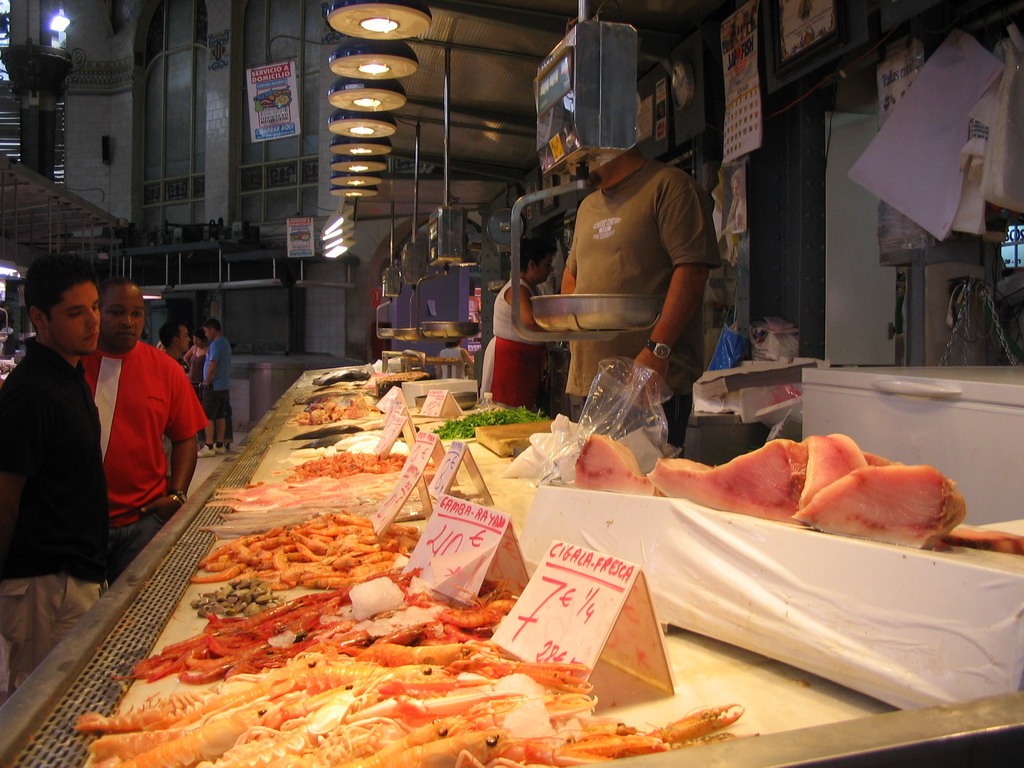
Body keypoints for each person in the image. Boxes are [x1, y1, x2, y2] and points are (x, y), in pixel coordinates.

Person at [0, 254, 108, 703]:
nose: (92, 322)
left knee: (73, 698)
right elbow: (5, 498)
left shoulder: (71, 374)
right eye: (75, 312)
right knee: (41, 705)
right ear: (39, 318)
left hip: (75, 576)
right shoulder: (30, 392)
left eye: (94, 307)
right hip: (45, 585)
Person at [562, 147, 722, 447]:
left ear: (608, 140)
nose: (574, 166)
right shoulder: (586, 207)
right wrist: (574, 334)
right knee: (589, 486)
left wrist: (657, 351)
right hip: (587, 381)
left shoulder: (669, 186)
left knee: (643, 485)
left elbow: (692, 270)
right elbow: (571, 273)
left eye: (578, 156)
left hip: (646, 385)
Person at [82, 278, 209, 582]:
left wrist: (177, 494)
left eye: (137, 313)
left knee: (135, 614)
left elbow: (185, 437)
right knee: (82, 622)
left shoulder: (165, 369)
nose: (128, 322)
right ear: (98, 312)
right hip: (80, 525)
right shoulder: (73, 364)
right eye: (116, 312)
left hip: (144, 521)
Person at [490, 238, 555, 409]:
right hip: (511, 361)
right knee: (507, 413)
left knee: (522, 412)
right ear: (532, 265)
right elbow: (530, 322)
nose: (550, 270)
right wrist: (564, 330)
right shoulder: (518, 288)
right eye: (546, 265)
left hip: (524, 361)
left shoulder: (532, 288)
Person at [199, 317, 232, 457]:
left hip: (214, 385)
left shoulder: (216, 344)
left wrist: (207, 382)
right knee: (220, 415)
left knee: (207, 416)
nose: (205, 335)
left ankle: (209, 446)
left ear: (212, 330)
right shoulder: (225, 343)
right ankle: (220, 444)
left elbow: (212, 366)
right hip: (223, 386)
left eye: (206, 331)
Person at [184, 329, 208, 403]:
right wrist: (190, 367)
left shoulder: (207, 350)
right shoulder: (194, 348)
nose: (195, 342)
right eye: (194, 339)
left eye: (197, 340)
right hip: (191, 380)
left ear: (203, 340)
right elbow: (186, 357)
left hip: (200, 381)